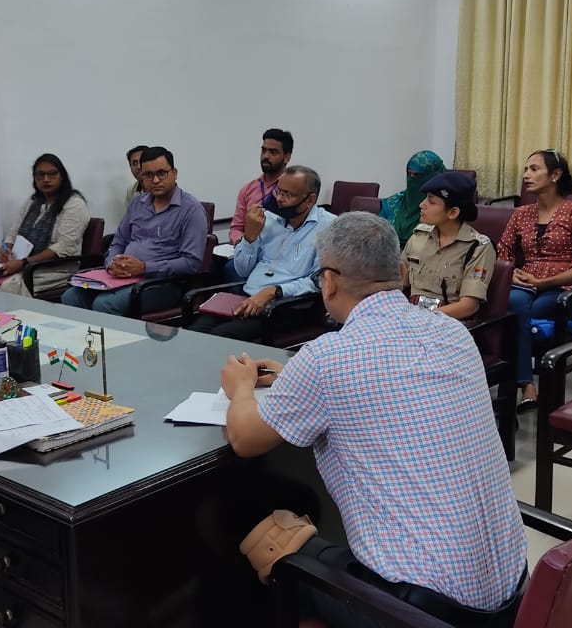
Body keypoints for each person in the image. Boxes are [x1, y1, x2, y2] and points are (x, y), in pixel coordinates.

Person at [221, 212, 526, 627]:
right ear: (401, 273)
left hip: (420, 612)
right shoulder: (453, 333)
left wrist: (241, 388)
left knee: (266, 538)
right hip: (510, 596)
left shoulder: (326, 359)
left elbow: (244, 439)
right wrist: (294, 377)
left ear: (328, 282)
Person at [496, 150, 572, 411]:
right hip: (525, 282)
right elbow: (503, 251)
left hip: (563, 287)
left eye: (534, 169)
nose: (526, 175)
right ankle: (527, 384)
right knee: (513, 306)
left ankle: (519, 386)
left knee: (525, 314)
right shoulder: (521, 214)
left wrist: (543, 283)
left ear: (555, 175)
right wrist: (512, 272)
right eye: (525, 169)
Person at [188, 166, 333, 341]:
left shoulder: (329, 227)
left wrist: (274, 291)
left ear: (310, 200)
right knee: (194, 331)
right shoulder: (269, 218)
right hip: (248, 296)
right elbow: (242, 271)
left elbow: (319, 280)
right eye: (278, 191)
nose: (279, 199)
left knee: (221, 337)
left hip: (286, 306)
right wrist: (249, 237)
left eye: (288, 195)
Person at [62, 145, 207, 315]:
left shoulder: (191, 210)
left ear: (174, 173)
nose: (155, 180)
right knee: (71, 297)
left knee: (104, 304)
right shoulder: (138, 204)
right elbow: (119, 241)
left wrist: (144, 267)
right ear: (141, 177)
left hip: (163, 283)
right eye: (148, 175)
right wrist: (113, 264)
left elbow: (191, 263)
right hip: (124, 277)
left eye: (161, 173)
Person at [400, 171, 495, 320]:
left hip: (449, 322)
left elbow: (468, 306)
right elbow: (397, 283)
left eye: (431, 202)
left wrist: (423, 318)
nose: (421, 205)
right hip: (411, 317)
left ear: (453, 212)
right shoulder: (419, 237)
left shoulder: (478, 247)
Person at [0, 153, 91, 296]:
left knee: (9, 285)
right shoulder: (32, 202)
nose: (46, 179)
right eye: (40, 175)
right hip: (26, 264)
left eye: (52, 174)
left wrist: (24, 263)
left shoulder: (74, 204)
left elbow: (64, 246)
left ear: (62, 176)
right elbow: (13, 233)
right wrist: (5, 251)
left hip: (57, 268)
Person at [229, 129, 292, 245]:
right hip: (248, 247)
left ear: (286, 157)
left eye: (273, 152)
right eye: (264, 150)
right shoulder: (247, 189)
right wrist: (241, 241)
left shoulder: (293, 190)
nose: (266, 156)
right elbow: (236, 228)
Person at [380, 150, 447, 247]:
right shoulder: (392, 204)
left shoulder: (443, 208)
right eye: (409, 174)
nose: (411, 179)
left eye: (417, 175)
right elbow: (378, 235)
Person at [124, 145, 147, 213]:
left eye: (142, 161)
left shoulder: (161, 188)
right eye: (134, 163)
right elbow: (128, 217)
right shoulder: (131, 190)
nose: (139, 167)